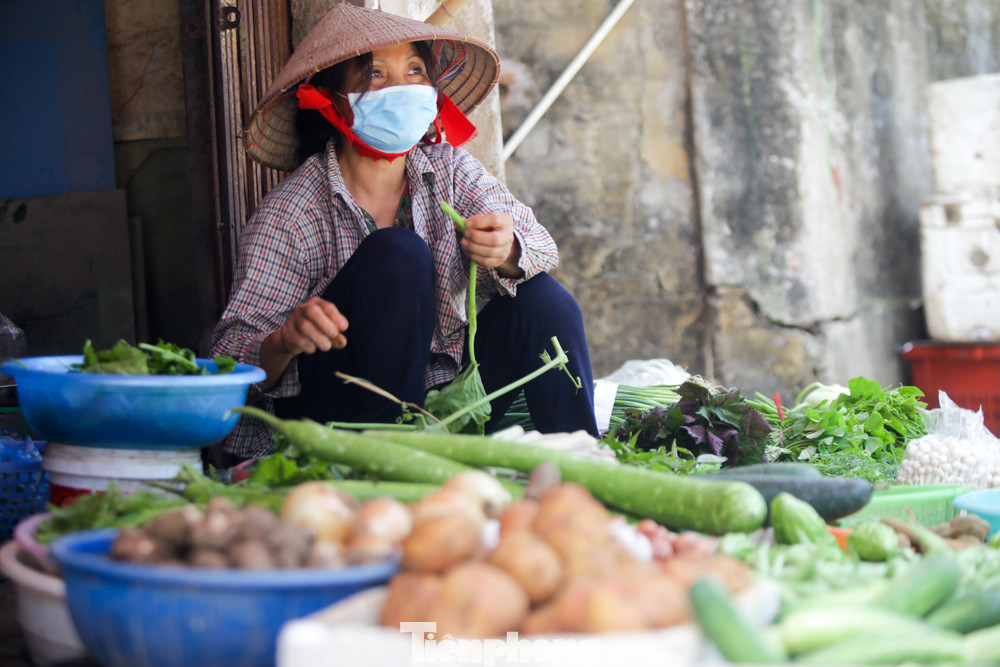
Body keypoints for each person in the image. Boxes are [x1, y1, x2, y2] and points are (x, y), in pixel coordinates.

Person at [211, 3, 598, 463]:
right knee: (397, 253)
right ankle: (395, 468)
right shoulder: (292, 212)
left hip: (443, 401)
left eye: (415, 70)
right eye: (375, 75)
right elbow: (229, 355)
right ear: (332, 103)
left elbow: (540, 246)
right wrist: (285, 340)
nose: (402, 88)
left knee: (542, 301)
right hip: (339, 420)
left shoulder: (448, 170)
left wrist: (506, 248)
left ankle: (587, 468)